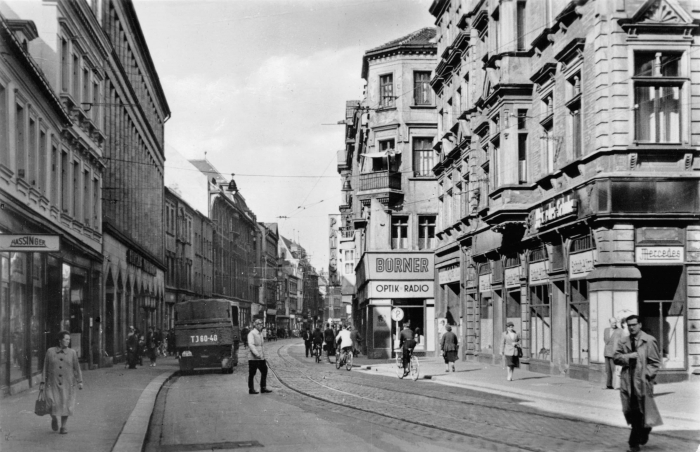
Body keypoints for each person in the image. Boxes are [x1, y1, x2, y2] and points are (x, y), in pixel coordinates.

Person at [614, 315, 662, 452]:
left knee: (640, 412)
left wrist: (646, 375)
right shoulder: (623, 341)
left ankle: (633, 444)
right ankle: (645, 428)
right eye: (629, 325)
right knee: (628, 411)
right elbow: (616, 358)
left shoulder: (649, 341)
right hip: (627, 382)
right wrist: (628, 357)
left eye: (634, 324)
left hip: (642, 383)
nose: (631, 327)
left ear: (640, 324)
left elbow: (655, 363)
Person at [41, 331, 83, 434]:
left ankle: (63, 427)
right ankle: (54, 418)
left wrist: (80, 381)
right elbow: (45, 367)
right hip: (52, 383)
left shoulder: (72, 352)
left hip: (68, 383)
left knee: (66, 405)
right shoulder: (50, 351)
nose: (68, 341)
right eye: (66, 339)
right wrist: (42, 382)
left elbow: (77, 368)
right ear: (60, 340)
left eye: (69, 339)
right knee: (50, 403)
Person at [247, 319, 272, 395]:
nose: (261, 326)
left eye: (261, 325)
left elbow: (261, 346)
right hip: (253, 358)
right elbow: (251, 345)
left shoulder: (260, 333)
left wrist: (263, 355)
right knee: (252, 373)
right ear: (256, 325)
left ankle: (263, 388)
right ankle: (251, 389)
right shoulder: (252, 333)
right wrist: (257, 354)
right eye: (259, 325)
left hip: (261, 357)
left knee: (264, 370)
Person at [604, 317, 624, 389]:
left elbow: (621, 341)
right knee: (608, 369)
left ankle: (616, 385)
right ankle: (609, 385)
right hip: (606, 352)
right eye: (613, 323)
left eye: (615, 322)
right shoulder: (606, 330)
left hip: (614, 352)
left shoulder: (620, 331)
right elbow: (605, 340)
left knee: (614, 370)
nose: (614, 324)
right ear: (610, 323)